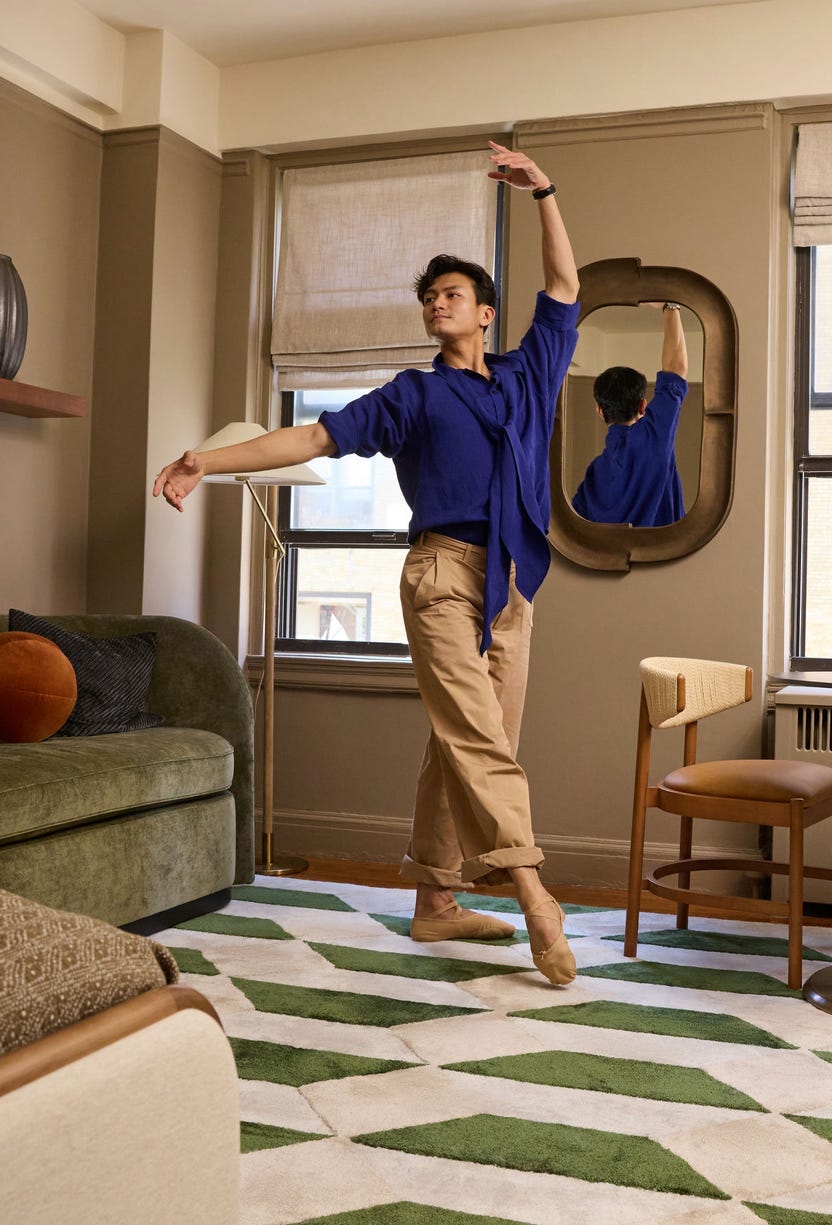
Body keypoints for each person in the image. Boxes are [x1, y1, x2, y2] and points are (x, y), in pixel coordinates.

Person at [153, 141, 580, 986]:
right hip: (441, 578)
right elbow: (313, 435)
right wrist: (209, 457)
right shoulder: (411, 395)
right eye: (428, 298)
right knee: (478, 740)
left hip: (512, 588)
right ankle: (534, 892)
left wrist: (544, 193)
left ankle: (434, 901)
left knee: (467, 742)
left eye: (451, 294)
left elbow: (565, 287)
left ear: (485, 312)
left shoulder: (529, 377)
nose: (436, 305)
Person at [572, 300, 688, 527]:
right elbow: (675, 369)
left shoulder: (595, 474)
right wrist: (670, 307)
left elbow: (575, 529)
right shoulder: (652, 438)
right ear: (643, 406)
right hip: (665, 562)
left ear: (599, 410)